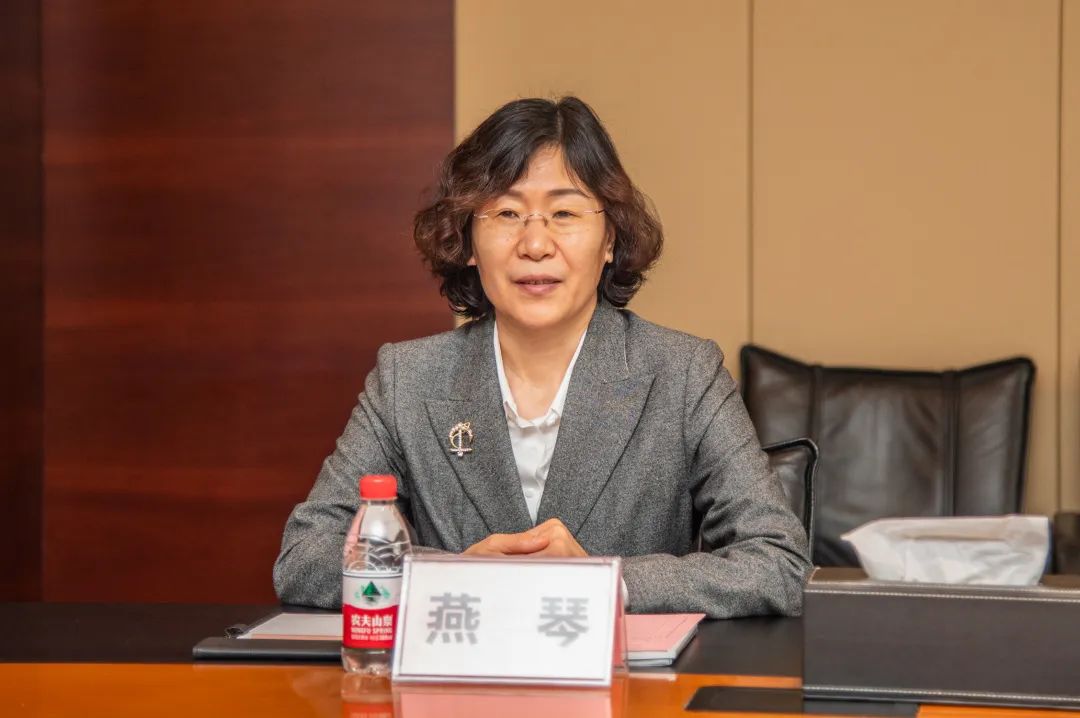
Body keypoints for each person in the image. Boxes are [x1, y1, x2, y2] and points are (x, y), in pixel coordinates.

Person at [273, 96, 811, 617]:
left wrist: (604, 581)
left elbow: (776, 562)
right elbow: (305, 556)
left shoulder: (683, 373)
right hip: (460, 672)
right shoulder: (408, 378)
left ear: (609, 240)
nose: (535, 245)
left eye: (564, 212)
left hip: (622, 676)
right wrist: (453, 575)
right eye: (507, 212)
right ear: (468, 239)